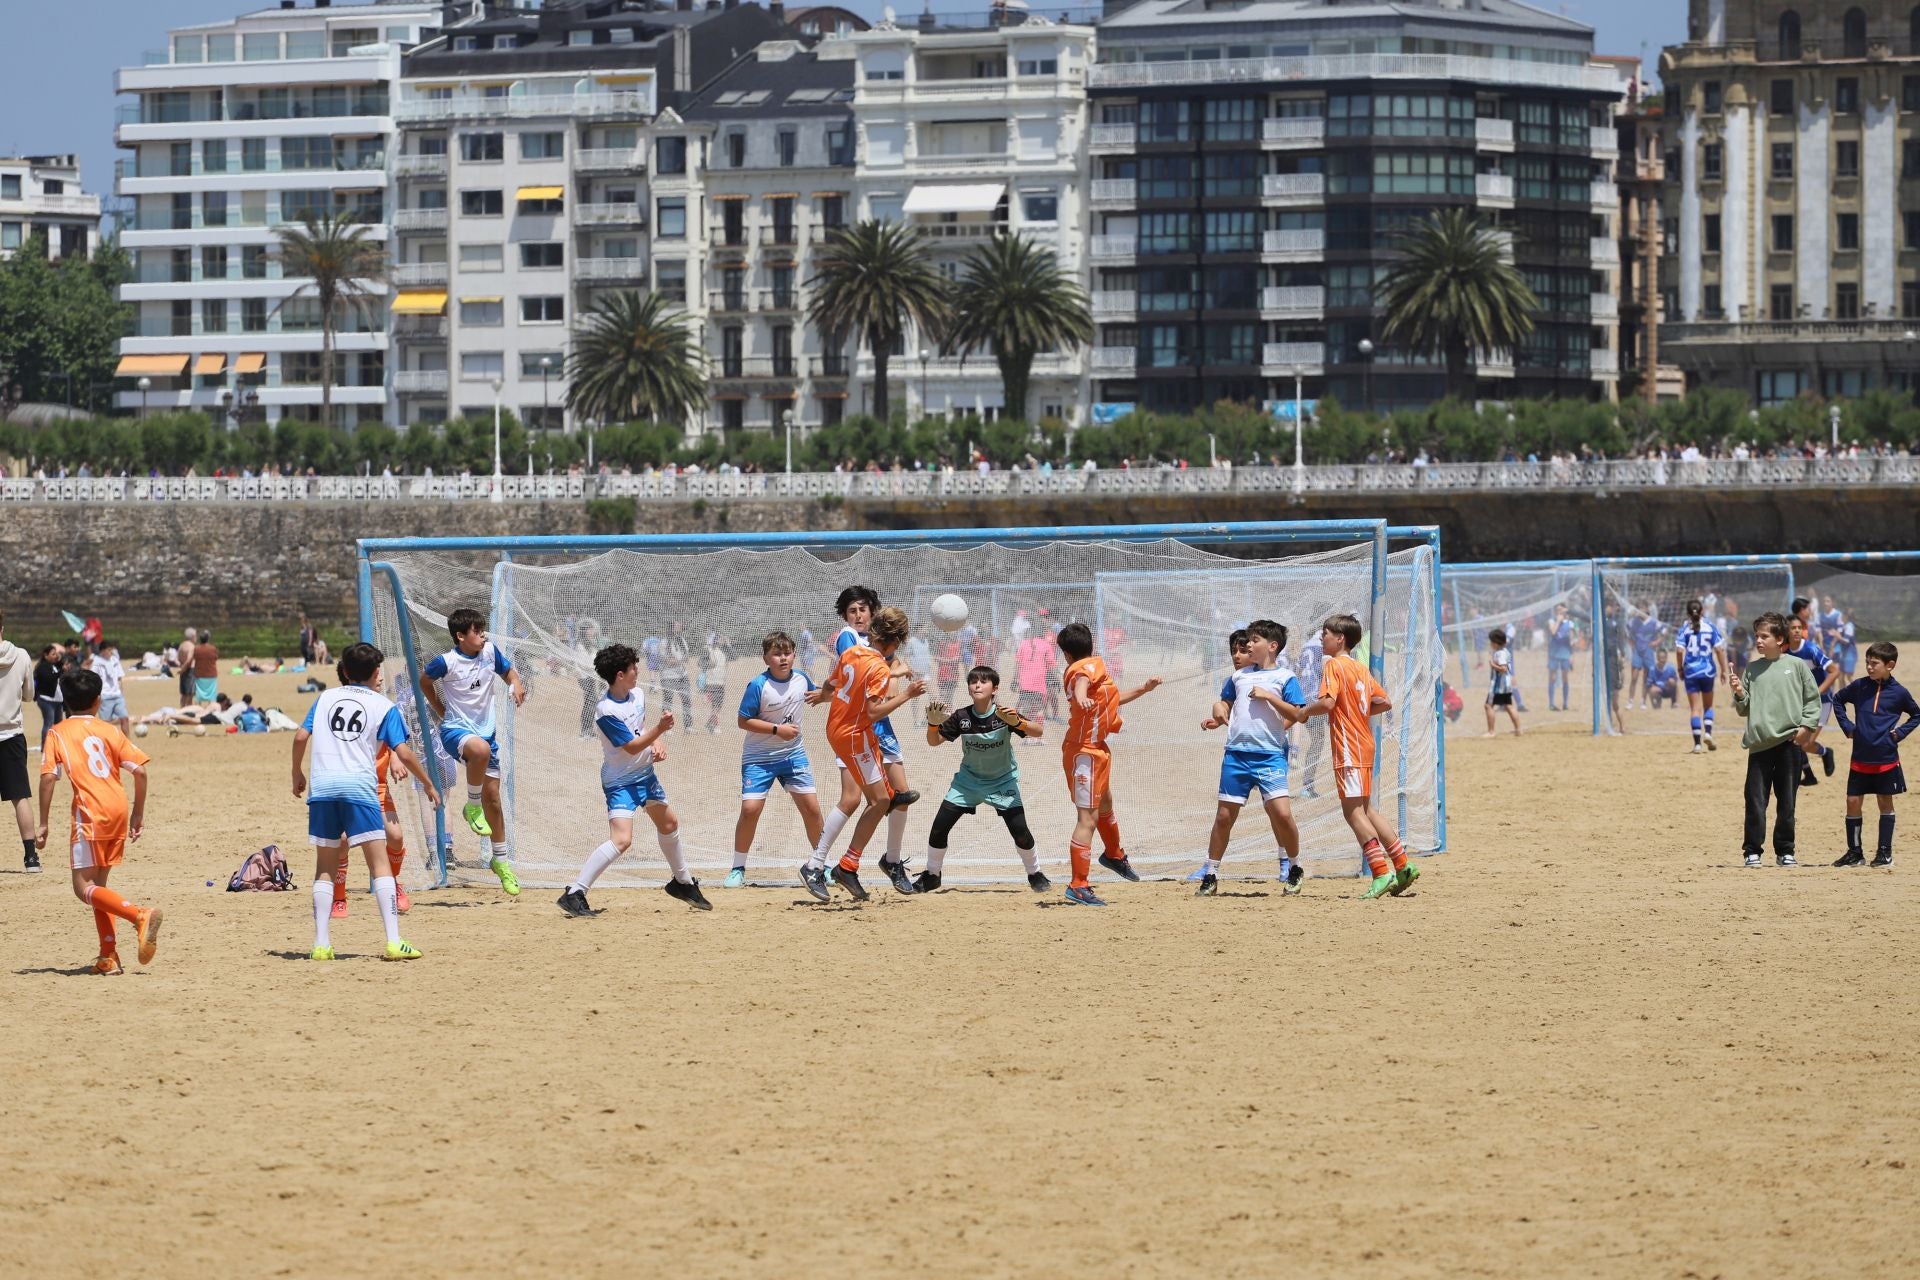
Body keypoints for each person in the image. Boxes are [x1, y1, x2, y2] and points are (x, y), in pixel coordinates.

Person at [292, 643, 439, 960]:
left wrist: (296, 773)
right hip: (359, 788)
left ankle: (321, 944)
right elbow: (403, 752)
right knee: (380, 865)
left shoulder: (325, 698)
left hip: (323, 788)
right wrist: (428, 783)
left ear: (345, 672)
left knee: (324, 867)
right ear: (375, 673)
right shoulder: (383, 705)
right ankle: (393, 941)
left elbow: (301, 736)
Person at [557, 643, 708, 917]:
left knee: (669, 823)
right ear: (619, 675)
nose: (637, 671)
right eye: (633, 668)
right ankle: (574, 893)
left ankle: (683, 883)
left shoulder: (637, 694)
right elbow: (631, 746)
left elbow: (640, 731)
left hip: (644, 776)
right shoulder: (605, 711)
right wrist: (660, 730)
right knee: (621, 840)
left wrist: (657, 742)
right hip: (620, 782)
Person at [36, 667, 161, 973]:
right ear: (98, 701)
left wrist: (43, 822)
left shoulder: (57, 732)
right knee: (100, 889)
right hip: (117, 808)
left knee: (83, 888)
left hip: (90, 813)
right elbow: (140, 772)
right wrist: (138, 812)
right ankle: (108, 956)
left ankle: (139, 915)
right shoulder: (110, 730)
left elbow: (49, 778)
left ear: (66, 701)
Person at [801, 605, 925, 902]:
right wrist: (907, 694)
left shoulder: (853, 653)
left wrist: (825, 696)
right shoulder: (879, 668)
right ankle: (821, 866)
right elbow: (873, 712)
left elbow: (831, 684)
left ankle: (848, 865)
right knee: (879, 800)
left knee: (881, 797)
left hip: (838, 728)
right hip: (856, 735)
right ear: (895, 643)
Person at [1302, 614, 1417, 901]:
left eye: (1326, 634)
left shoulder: (1333, 665)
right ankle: (1403, 865)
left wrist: (1303, 712)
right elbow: (1384, 702)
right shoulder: (1360, 668)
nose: (1322, 638)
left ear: (1340, 638)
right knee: (1367, 810)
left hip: (1348, 746)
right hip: (1365, 743)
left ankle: (1380, 873)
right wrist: (1358, 712)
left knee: (1352, 812)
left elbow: (1328, 703)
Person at [1196, 619, 1307, 897]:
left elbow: (1298, 714)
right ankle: (1210, 874)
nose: (1248, 646)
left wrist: (1269, 697)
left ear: (1272, 646)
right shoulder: (1238, 677)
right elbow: (1225, 703)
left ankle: (1294, 866)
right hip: (1236, 755)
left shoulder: (1285, 678)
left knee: (1282, 814)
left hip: (1270, 756)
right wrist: (1218, 712)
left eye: (1255, 640)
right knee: (1224, 816)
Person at [422, 608, 528, 896]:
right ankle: (471, 806)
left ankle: (501, 861)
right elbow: (424, 681)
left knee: (493, 798)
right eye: (477, 631)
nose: (483, 635)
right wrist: (440, 709)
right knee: (479, 750)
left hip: (485, 734)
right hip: (455, 731)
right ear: (460, 636)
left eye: (483, 630)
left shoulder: (490, 652)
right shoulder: (446, 662)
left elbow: (508, 672)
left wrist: (516, 684)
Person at [916, 664, 1048, 894]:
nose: (977, 685)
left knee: (1021, 833)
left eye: (984, 681)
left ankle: (1035, 873)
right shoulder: (962, 716)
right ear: (968, 688)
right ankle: (932, 875)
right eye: (973, 681)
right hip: (967, 783)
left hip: (1002, 782)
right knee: (939, 828)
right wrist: (933, 725)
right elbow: (933, 741)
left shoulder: (1004, 714)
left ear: (994, 689)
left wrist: (1018, 723)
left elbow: (1038, 731)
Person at [1056, 621, 1161, 905]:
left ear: (1066, 653)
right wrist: (1080, 698)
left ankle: (1113, 854)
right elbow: (1081, 682)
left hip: (1097, 750)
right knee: (1087, 819)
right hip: (1084, 752)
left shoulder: (1093, 671)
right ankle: (1078, 885)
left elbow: (1112, 700)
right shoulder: (1084, 669)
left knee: (1105, 804)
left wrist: (1143, 689)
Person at [729, 632, 824, 888]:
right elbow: (743, 721)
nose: (783, 658)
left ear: (794, 655)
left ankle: (820, 865)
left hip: (793, 754)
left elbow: (819, 695)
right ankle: (737, 867)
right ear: (766, 658)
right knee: (750, 810)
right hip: (758, 758)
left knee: (812, 809)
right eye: (777, 654)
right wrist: (776, 730)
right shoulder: (758, 685)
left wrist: (836, 689)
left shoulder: (802, 679)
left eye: (787, 653)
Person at [1730, 612, 1821, 868]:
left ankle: (1785, 850)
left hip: (1789, 744)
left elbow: (1812, 700)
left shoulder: (1797, 665)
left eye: (1764, 636)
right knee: (1755, 801)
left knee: (1787, 801)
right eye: (1756, 636)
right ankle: (1752, 851)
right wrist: (1739, 693)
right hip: (1759, 746)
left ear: (1779, 639)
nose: (1758, 640)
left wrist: (1807, 727)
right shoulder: (1752, 669)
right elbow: (1744, 709)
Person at [1831, 642, 1918, 868]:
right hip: (1859, 757)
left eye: (1874, 663)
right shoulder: (1859, 686)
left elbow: (1916, 715)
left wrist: (1899, 733)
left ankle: (1884, 854)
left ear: (1890, 665)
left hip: (1885, 759)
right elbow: (1837, 700)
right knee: (1852, 801)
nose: (1869, 667)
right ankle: (1855, 853)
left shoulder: (1899, 692)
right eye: (1867, 662)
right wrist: (1848, 727)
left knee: (1884, 802)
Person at [328, 743, 416, 920]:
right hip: (348, 787)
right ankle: (338, 898)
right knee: (343, 840)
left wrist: (395, 756)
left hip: (377, 788)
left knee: (395, 836)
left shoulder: (383, 723)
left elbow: (393, 736)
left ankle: (392, 884)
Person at [1786, 616, 1840, 785]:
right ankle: (1808, 776)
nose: (1797, 630)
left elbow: (1834, 671)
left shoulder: (1811, 649)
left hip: (1821, 702)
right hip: (1802, 703)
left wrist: (1816, 692)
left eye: (1799, 627)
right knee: (1794, 741)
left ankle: (1825, 752)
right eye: (1793, 628)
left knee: (1804, 744)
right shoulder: (1785, 653)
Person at [0, 613, 35, 871]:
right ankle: (31, 857)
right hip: (11, 734)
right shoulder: (21, 655)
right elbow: (29, 695)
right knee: (20, 797)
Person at [1674, 599, 1725, 754]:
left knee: (1695, 709)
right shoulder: (1710, 626)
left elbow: (1679, 651)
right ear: (1702, 611)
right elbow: (1719, 650)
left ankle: (1697, 744)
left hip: (1691, 672)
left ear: (1687, 613)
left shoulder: (1684, 628)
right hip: (1708, 671)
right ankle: (1708, 733)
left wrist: (1680, 668)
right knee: (1708, 706)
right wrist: (1724, 670)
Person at [88, 639, 130, 737]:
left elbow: (119, 677)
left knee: (124, 718)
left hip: (117, 695)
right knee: (105, 723)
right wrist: (98, 695)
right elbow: (93, 679)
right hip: (105, 696)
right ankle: (105, 742)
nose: (111, 652)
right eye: (109, 650)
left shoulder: (114, 660)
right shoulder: (97, 662)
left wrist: (121, 691)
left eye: (112, 650)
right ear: (102, 651)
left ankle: (127, 741)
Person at [1484, 628, 1522, 737]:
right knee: (1509, 706)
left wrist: (1492, 665)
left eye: (1491, 641)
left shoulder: (1499, 654)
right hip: (1506, 684)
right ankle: (1518, 730)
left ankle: (1491, 731)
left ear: (1496, 643)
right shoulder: (1505, 651)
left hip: (1499, 685)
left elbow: (1503, 668)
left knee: (1488, 705)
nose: (1490, 644)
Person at [1015, 624, 1055, 722]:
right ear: (1043, 633)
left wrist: (1015, 680)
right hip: (1039, 684)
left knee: (1026, 709)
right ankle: (1035, 729)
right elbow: (1051, 666)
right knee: (1039, 710)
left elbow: (1018, 663)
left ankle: (1026, 727)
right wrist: (1053, 680)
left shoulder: (1024, 643)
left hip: (1025, 683)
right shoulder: (1047, 645)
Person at [659, 621, 693, 732]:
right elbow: (668, 661)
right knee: (668, 701)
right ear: (671, 628)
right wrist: (679, 660)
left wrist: (678, 660)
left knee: (687, 699)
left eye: (680, 625)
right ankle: (667, 728)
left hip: (682, 675)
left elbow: (686, 658)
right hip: (668, 676)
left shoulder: (681, 640)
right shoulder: (664, 642)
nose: (680, 626)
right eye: (677, 625)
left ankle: (688, 726)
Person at [1545, 603, 1575, 713]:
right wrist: (1558, 621)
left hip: (1565, 653)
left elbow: (1572, 639)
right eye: (1557, 610)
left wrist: (1572, 655)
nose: (1559, 612)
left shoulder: (1570, 623)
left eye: (1561, 610)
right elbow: (1553, 632)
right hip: (1553, 653)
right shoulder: (1551, 621)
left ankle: (1565, 703)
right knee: (1552, 678)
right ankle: (1551, 703)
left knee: (1565, 677)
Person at [702, 632, 729, 733]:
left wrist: (728, 644)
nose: (721, 640)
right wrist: (709, 662)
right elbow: (701, 663)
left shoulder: (722, 651)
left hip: (721, 682)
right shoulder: (708, 650)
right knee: (715, 705)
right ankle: (715, 726)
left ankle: (709, 723)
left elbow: (734, 656)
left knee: (718, 706)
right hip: (711, 682)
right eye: (719, 639)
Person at [177, 627, 198, 708]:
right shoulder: (191, 646)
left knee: (184, 694)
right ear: (192, 636)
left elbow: (178, 658)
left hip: (183, 670)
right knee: (190, 694)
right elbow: (189, 659)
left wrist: (182, 667)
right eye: (195, 636)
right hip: (190, 671)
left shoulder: (181, 645)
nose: (196, 638)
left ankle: (182, 709)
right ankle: (188, 711)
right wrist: (184, 668)